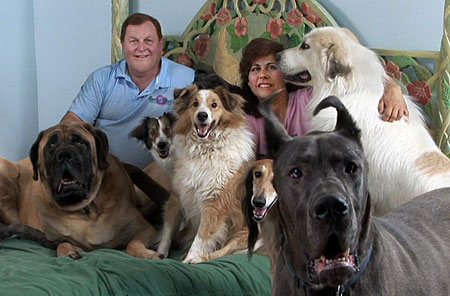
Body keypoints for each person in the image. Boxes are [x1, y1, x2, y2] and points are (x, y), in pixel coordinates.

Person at [62, 13, 195, 168]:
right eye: (133, 41)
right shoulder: (101, 79)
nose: (141, 48)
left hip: (163, 179)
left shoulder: (187, 79)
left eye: (148, 40)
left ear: (161, 45)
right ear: (123, 44)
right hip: (107, 176)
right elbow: (72, 123)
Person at [239, 38, 409, 159]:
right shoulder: (246, 120)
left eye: (271, 67)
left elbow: (354, 55)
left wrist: (391, 86)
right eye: (255, 69)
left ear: (286, 72)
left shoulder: (310, 98)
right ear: (248, 80)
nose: (263, 75)